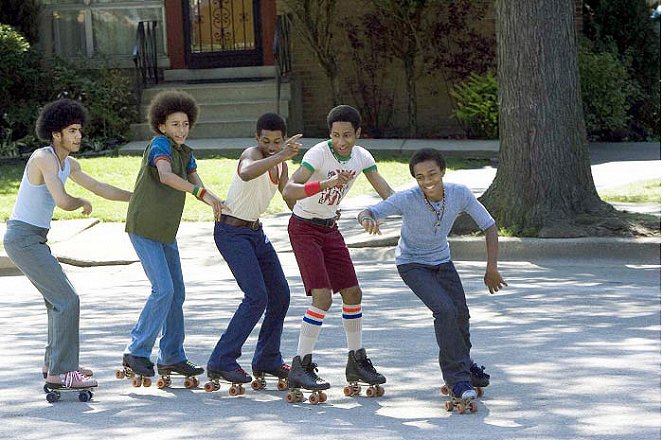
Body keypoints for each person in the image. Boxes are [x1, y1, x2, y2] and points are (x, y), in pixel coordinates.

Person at [357, 148, 507, 402]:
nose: (427, 181)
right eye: (420, 177)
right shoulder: (407, 198)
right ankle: (457, 379)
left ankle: (464, 363)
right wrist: (367, 220)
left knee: (461, 313)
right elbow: (369, 211)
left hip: (442, 261)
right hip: (412, 264)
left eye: (432, 174)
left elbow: (489, 225)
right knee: (445, 311)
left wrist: (491, 267)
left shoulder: (459, 193)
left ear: (443, 171)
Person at [3, 98, 132, 390]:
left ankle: (54, 363)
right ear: (55, 133)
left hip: (33, 239)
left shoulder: (68, 163)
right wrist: (80, 202)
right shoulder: (43, 158)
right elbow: (62, 200)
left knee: (56, 302)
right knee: (68, 300)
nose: (78, 136)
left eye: (79, 130)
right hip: (22, 238)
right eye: (72, 131)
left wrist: (134, 197)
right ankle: (62, 372)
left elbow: (100, 187)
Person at [282, 104, 394, 395]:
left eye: (347, 135)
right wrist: (326, 183)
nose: (341, 141)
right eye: (335, 135)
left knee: (353, 293)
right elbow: (290, 190)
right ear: (329, 133)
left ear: (358, 134)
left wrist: (405, 208)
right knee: (322, 298)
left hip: (330, 228)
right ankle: (300, 365)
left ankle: (356, 360)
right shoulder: (318, 153)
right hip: (304, 228)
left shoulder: (362, 157)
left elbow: (386, 192)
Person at [122, 90, 226, 385]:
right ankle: (136, 351)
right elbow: (166, 176)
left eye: (185, 124)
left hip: (166, 231)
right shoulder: (159, 145)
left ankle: (171, 356)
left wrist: (217, 203)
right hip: (144, 226)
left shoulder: (186, 153)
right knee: (163, 289)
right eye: (175, 124)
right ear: (162, 126)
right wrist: (200, 193)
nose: (181, 129)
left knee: (177, 292)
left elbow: (198, 184)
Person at [205, 113, 301, 390]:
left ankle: (268, 358)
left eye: (278, 141)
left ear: (284, 138)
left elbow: (289, 197)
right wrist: (281, 155)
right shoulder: (252, 154)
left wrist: (318, 212)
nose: (272, 146)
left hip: (256, 233)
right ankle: (222, 359)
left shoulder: (280, 165)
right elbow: (247, 171)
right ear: (257, 139)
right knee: (256, 296)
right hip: (231, 232)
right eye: (266, 141)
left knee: (280, 294)